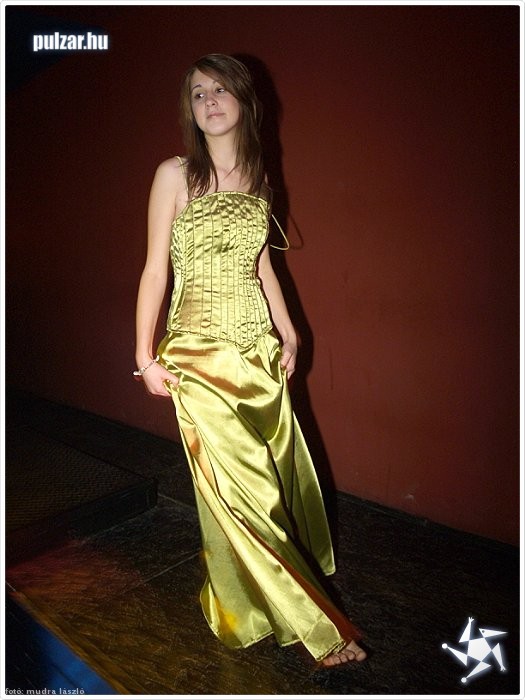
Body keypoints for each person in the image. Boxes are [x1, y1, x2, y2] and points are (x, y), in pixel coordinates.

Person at [134, 53, 367, 668]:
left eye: (220, 89)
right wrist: (143, 355)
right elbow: (155, 269)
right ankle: (317, 628)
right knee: (248, 492)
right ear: (190, 110)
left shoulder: (260, 180)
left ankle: (241, 602)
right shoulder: (174, 174)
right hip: (195, 356)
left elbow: (263, 266)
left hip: (258, 355)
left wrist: (289, 333)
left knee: (264, 482)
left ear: (243, 100)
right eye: (198, 93)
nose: (209, 100)